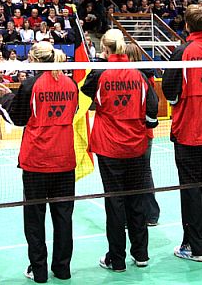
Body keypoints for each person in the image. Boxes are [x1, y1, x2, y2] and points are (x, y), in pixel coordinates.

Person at [0, 42, 78, 283]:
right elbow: (72, 112)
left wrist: (8, 97)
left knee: (35, 218)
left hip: (37, 161)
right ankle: (62, 269)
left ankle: (38, 271)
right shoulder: (70, 84)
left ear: (33, 59)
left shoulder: (30, 85)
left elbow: (17, 118)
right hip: (64, 160)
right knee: (63, 216)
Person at [81, 29, 159, 272]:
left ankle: (116, 259)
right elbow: (153, 109)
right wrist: (145, 123)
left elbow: (85, 91)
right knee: (136, 199)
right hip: (136, 146)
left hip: (109, 147)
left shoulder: (100, 72)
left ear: (105, 50)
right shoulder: (140, 74)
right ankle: (141, 254)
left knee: (114, 203)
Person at [161, 4, 202, 261]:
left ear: (187, 26)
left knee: (191, 190)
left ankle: (194, 247)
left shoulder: (182, 53)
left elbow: (169, 90)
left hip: (188, 132)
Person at [125, 42, 160, 226]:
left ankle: (140, 215)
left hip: (138, 132)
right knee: (145, 172)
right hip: (146, 132)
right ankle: (151, 215)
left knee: (137, 174)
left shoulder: (138, 78)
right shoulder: (149, 75)